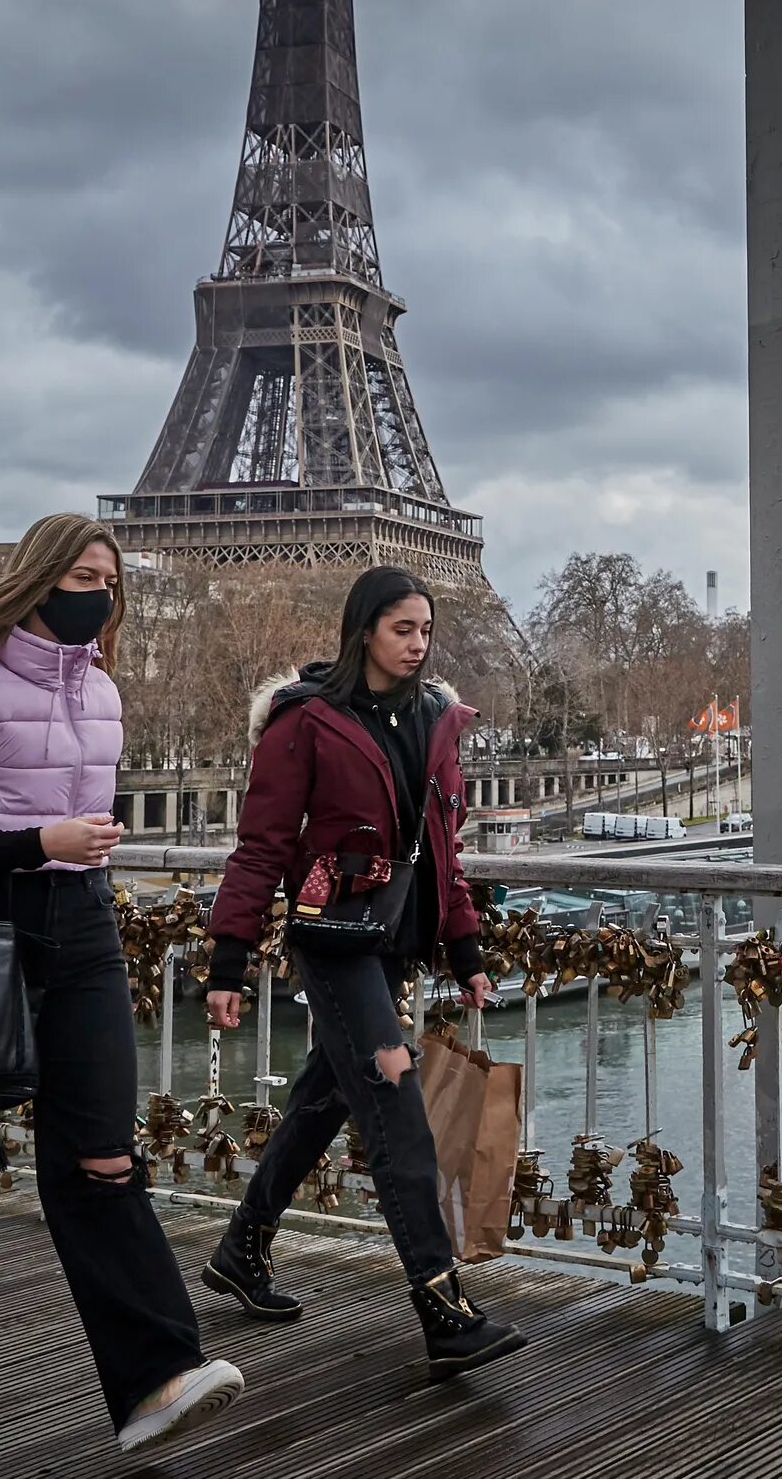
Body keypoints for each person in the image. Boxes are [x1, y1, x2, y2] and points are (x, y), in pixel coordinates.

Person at [0, 513, 244, 1452]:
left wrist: (81, 855)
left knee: (103, 1153)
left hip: (82, 923)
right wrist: (41, 843)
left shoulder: (107, 695)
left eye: (110, 581)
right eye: (84, 575)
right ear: (37, 581)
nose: (99, 594)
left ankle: (156, 1377)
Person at [199, 565, 526, 1378]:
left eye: (425, 631)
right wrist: (228, 961)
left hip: (394, 942)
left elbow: (443, 852)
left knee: (323, 1097)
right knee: (396, 1108)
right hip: (336, 941)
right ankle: (443, 1309)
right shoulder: (307, 722)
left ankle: (243, 1247)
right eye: (400, 630)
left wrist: (467, 950)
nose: (417, 646)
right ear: (363, 632)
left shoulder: (436, 722)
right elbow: (262, 846)